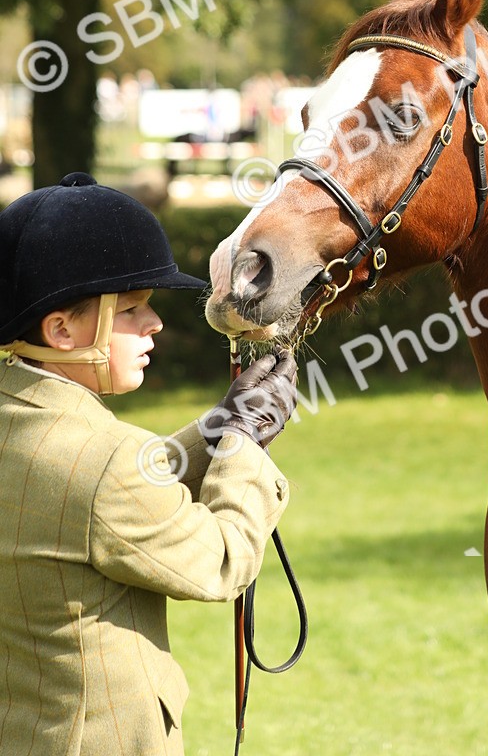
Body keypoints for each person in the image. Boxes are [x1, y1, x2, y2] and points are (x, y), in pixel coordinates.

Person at [0, 171, 297, 756]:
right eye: (132, 309)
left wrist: (217, 429)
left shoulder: (31, 422)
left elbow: (103, 492)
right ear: (62, 330)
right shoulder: (104, 465)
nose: (154, 323)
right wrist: (244, 441)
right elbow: (221, 561)